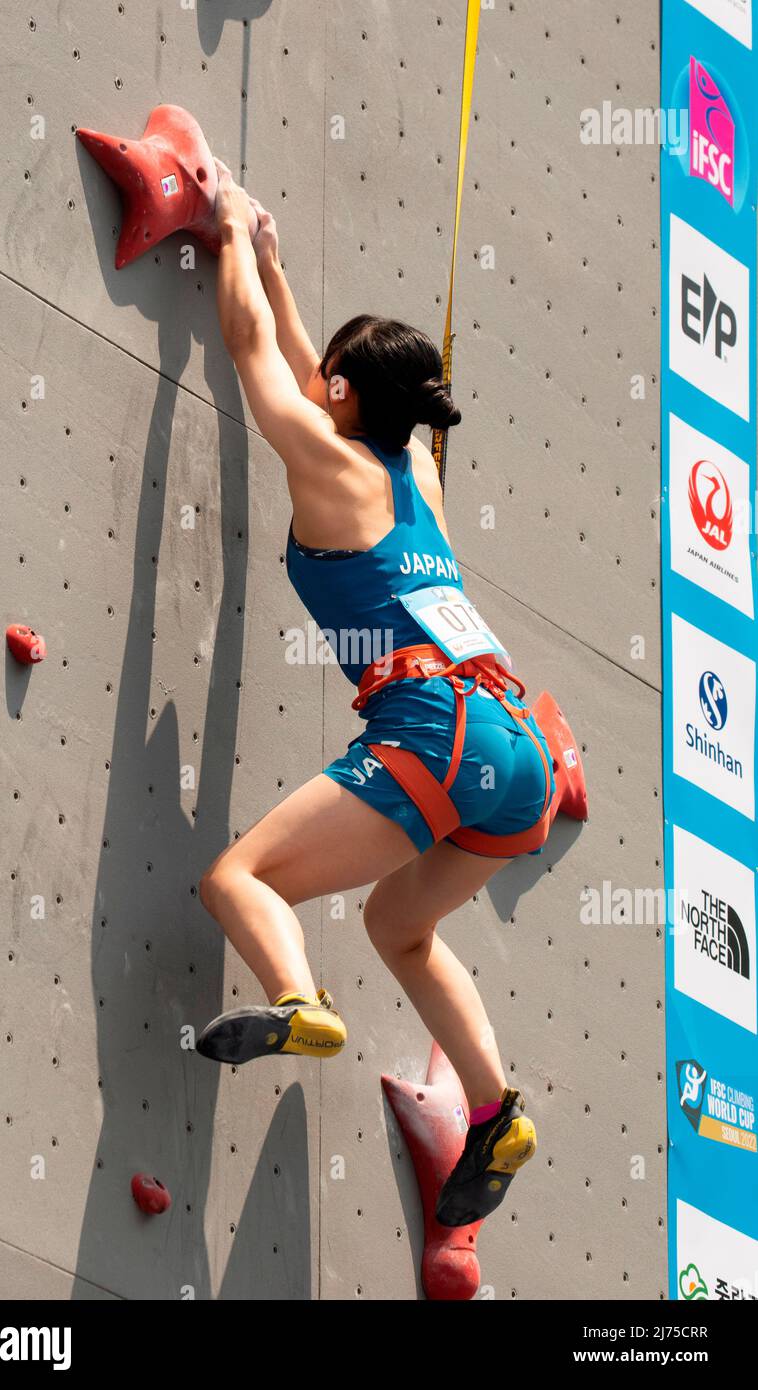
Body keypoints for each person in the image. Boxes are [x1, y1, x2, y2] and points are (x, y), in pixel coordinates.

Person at [197, 161, 555, 1227]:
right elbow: (314, 367)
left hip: (432, 729)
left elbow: (256, 353)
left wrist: (224, 235)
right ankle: (495, 1111)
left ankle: (299, 1003)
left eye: (335, 378)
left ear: (347, 397)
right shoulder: (416, 479)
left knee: (238, 878)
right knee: (400, 925)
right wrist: (275, 261)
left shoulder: (320, 454)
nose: (320, 383)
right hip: (515, 750)